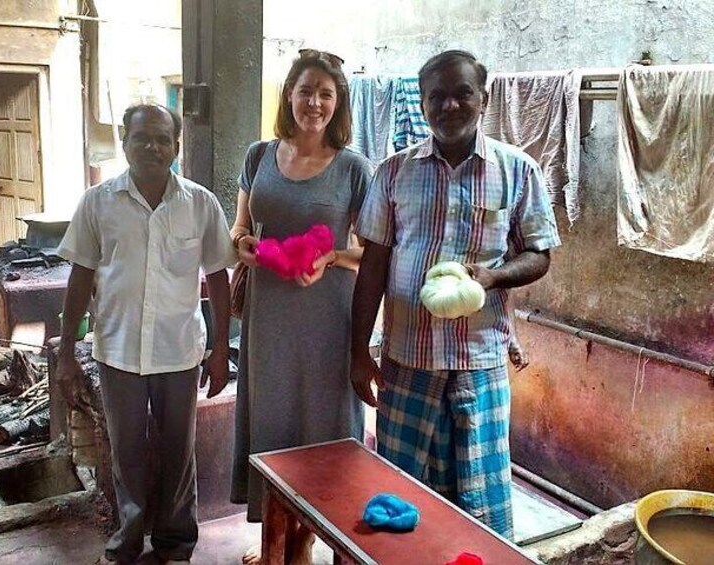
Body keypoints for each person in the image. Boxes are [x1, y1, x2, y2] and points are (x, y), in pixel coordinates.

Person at [350, 50, 561, 540]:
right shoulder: (394, 172)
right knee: (402, 493)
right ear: (422, 104)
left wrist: (491, 278)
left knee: (479, 499)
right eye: (436, 96)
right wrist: (359, 352)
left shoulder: (518, 171)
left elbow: (539, 254)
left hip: (479, 362)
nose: (449, 105)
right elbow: (373, 268)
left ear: (482, 98)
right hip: (407, 361)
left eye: (462, 92)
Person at [55, 104, 236, 564]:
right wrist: (66, 354)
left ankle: (176, 544)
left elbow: (218, 276)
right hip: (117, 350)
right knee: (126, 454)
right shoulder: (97, 203)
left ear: (176, 146)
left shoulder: (200, 203)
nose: (152, 147)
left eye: (162, 139)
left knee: (180, 455)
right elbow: (80, 276)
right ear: (125, 141)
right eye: (142, 138)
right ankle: (128, 541)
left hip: (179, 351)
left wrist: (219, 351)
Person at [230, 49, 373, 563]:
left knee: (324, 423)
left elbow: (373, 251)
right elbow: (240, 229)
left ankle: (307, 539)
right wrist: (245, 244)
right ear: (289, 93)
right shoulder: (258, 155)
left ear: (338, 104)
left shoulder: (355, 168)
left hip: (328, 316)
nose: (314, 102)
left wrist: (333, 256)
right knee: (273, 420)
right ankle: (275, 537)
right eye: (306, 90)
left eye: (326, 94)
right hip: (269, 315)